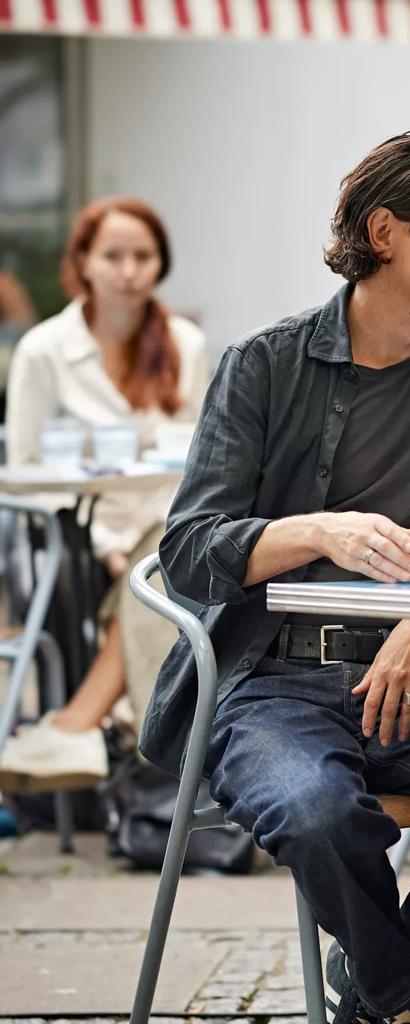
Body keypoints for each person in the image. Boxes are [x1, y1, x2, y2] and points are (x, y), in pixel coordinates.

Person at [145, 133, 410, 1024]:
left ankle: (376, 992)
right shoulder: (264, 364)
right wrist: (315, 531)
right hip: (277, 683)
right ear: (386, 231)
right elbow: (190, 547)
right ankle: (401, 1003)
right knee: (318, 815)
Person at [0, 198, 209, 790]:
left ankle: (75, 728)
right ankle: (152, 759)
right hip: (67, 536)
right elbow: (27, 470)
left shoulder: (184, 345)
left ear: (159, 265)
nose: (128, 270)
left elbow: (202, 465)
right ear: (83, 264)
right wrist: (105, 541)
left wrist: (131, 545)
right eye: (112, 255)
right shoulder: (44, 350)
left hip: (164, 524)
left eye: (143, 256)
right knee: (165, 566)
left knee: (168, 555)